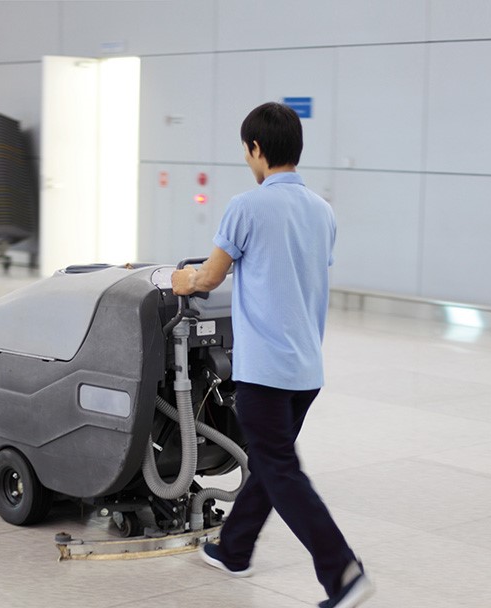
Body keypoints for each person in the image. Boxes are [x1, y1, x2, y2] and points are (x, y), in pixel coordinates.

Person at [171, 102, 374, 608]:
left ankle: (342, 573)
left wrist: (183, 280)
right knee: (269, 462)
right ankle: (234, 549)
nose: (247, 158)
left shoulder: (248, 205)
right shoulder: (322, 211)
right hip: (306, 368)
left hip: (264, 368)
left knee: (280, 469)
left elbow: (211, 276)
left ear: (257, 149)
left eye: (247, 149)